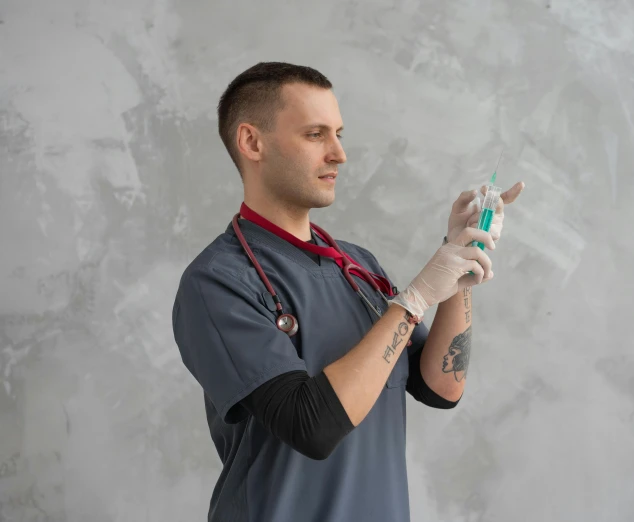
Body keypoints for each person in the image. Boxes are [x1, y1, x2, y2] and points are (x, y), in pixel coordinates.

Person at [171, 61, 524, 522]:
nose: (339, 153)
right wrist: (415, 299)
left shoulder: (357, 267)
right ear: (252, 142)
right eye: (316, 134)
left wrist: (457, 261)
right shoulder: (217, 282)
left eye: (339, 133)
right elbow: (311, 426)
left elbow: (441, 387)